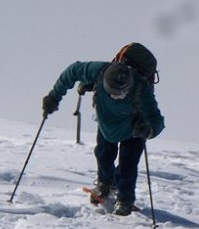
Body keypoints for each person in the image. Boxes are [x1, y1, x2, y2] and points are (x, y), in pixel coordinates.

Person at [42, 50, 165, 216]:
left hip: (132, 129)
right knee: (103, 154)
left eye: (121, 93)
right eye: (112, 92)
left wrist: (148, 129)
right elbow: (71, 71)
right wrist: (53, 97)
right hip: (106, 123)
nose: (116, 96)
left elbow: (157, 120)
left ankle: (125, 201)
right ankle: (105, 185)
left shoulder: (141, 89)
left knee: (127, 166)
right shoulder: (98, 71)